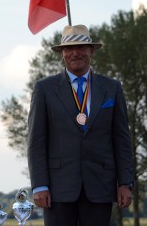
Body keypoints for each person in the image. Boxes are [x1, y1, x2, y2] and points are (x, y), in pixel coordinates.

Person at [27, 24, 134, 226]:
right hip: (57, 189)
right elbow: (36, 142)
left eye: (81, 48)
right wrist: (39, 184)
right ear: (62, 54)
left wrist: (125, 183)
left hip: (100, 187)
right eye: (69, 48)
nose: (75, 53)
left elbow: (122, 140)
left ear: (91, 51)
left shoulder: (112, 88)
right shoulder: (44, 89)